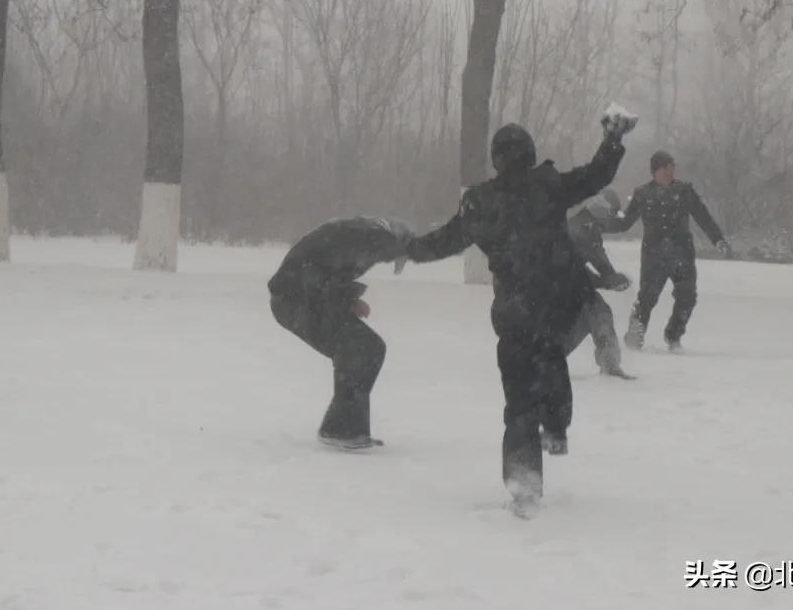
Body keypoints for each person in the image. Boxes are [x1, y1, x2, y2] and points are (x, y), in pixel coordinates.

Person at [406, 109, 635, 516]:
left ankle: (524, 480)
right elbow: (595, 176)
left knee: (518, 399)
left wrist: (408, 249)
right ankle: (556, 428)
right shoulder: (548, 186)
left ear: (496, 159)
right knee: (552, 367)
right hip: (555, 304)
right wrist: (612, 141)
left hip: (514, 311)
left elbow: (445, 240)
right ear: (529, 153)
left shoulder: (480, 202)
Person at [268, 216, 413, 450]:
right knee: (359, 347)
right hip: (294, 301)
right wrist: (348, 300)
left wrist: (348, 299)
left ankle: (347, 428)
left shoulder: (357, 235)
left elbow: (326, 270)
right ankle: (340, 430)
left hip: (304, 299)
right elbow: (315, 275)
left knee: (369, 347)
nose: (391, 260)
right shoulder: (368, 238)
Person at [606, 150, 731, 353]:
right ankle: (634, 336)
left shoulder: (685, 191)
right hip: (653, 256)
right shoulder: (642, 194)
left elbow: (703, 217)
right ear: (655, 171)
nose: (670, 172)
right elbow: (624, 223)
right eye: (665, 168)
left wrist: (718, 240)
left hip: (682, 255)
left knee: (687, 297)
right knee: (647, 298)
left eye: (672, 168)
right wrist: (599, 222)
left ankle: (673, 335)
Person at [562, 188, 635, 380]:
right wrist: (608, 281)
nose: (611, 219)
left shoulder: (591, 227)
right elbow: (575, 271)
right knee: (595, 312)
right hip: (557, 286)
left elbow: (599, 259)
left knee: (595, 313)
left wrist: (612, 278)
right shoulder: (577, 227)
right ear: (600, 207)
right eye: (611, 213)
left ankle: (609, 362)